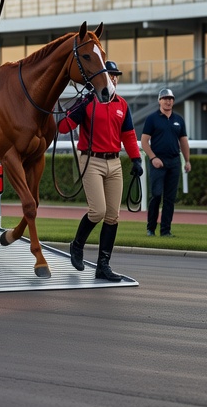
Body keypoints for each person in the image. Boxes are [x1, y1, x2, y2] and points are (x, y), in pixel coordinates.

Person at [56, 63, 143, 282]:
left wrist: (136, 160)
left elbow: (129, 135)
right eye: (109, 76)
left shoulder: (122, 104)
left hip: (114, 163)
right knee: (98, 211)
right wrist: (73, 108)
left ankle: (103, 266)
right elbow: (64, 127)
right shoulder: (88, 102)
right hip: (91, 160)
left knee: (113, 216)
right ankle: (77, 246)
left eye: (115, 76)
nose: (112, 79)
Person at [141, 87, 191, 237]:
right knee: (156, 195)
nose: (168, 101)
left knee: (170, 198)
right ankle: (151, 228)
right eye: (165, 98)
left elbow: (183, 142)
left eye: (170, 99)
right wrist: (153, 158)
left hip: (174, 162)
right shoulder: (152, 119)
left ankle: (165, 231)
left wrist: (187, 161)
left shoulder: (179, 120)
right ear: (159, 101)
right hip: (158, 162)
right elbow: (144, 142)